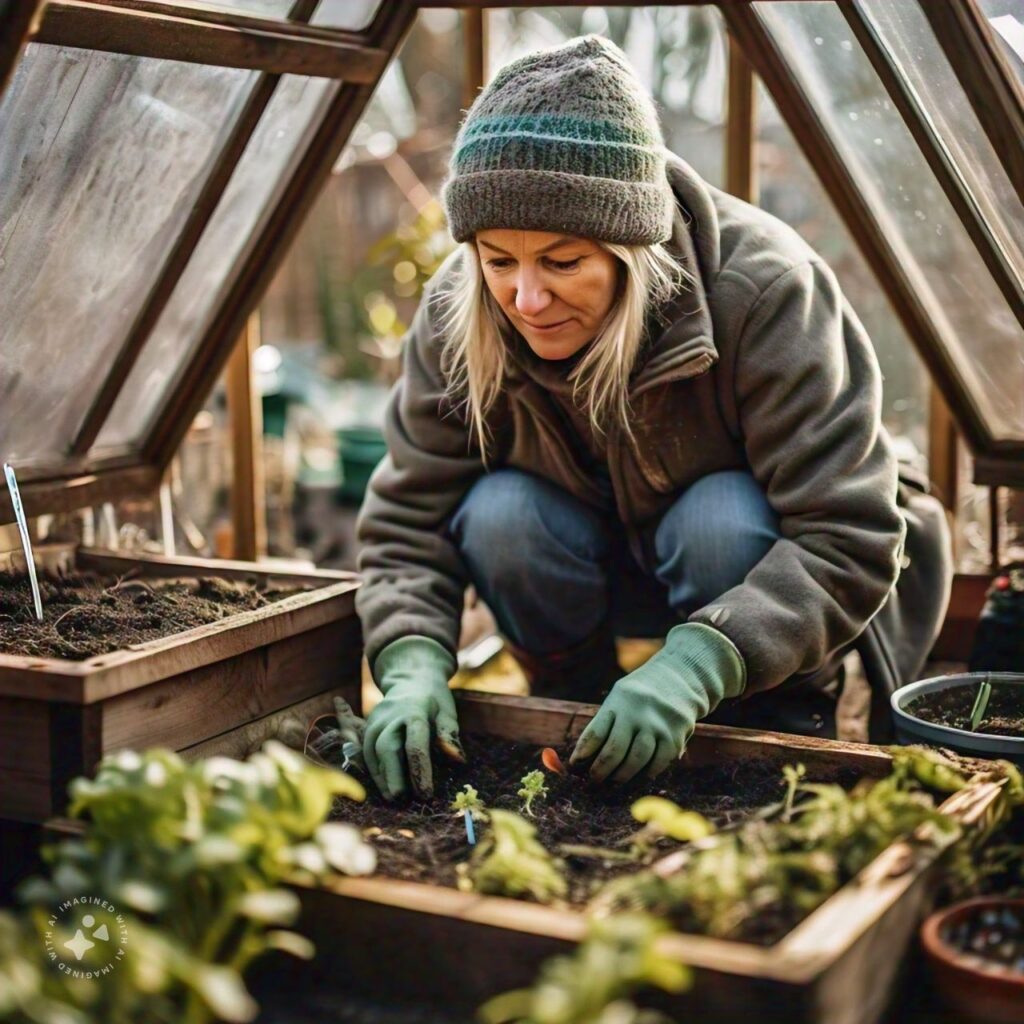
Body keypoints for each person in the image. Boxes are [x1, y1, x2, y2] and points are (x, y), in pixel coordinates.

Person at [355, 35, 953, 800]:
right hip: (591, 567)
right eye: (498, 260)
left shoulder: (766, 293)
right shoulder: (458, 311)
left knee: (721, 518)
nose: (525, 299)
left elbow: (849, 533)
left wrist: (697, 663)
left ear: (633, 248)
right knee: (501, 514)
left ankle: (775, 732)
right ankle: (578, 720)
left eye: (563, 262)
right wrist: (407, 665)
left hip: (743, 582)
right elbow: (408, 521)